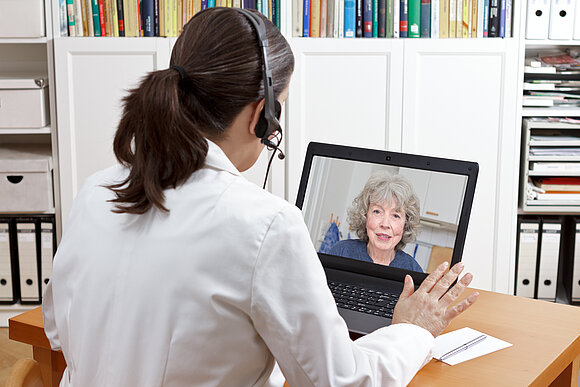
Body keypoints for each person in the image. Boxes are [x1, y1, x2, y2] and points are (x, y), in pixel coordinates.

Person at [42, 7, 478, 387]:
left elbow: (56, 331)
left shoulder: (98, 190)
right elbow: (343, 382)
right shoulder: (265, 225)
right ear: (261, 113)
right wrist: (414, 330)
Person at [329, 171, 424, 272]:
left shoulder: (413, 269)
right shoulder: (341, 252)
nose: (385, 224)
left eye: (395, 216)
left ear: (406, 224)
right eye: (377, 212)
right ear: (365, 215)